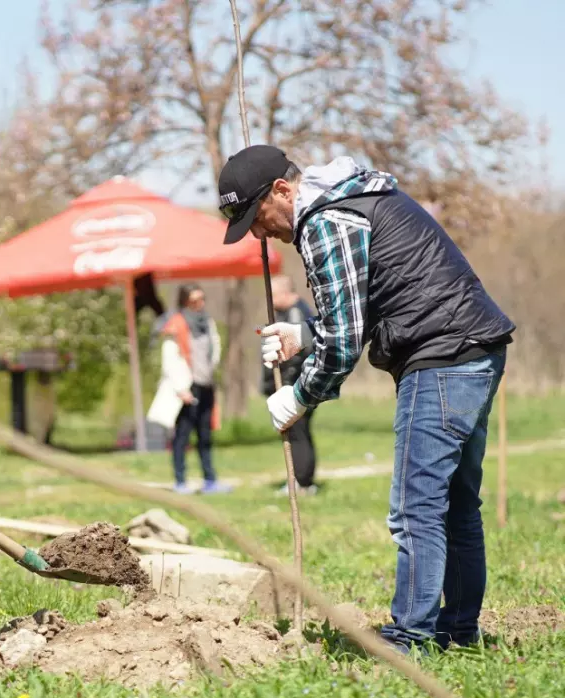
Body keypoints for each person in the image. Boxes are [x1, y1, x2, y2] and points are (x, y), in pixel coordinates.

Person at [218, 145, 514, 654]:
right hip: (473, 348)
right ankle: (458, 632)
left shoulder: (326, 221)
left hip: (440, 356)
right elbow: (372, 301)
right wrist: (300, 336)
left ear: (283, 190)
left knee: (416, 509)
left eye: (258, 218)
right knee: (456, 505)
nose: (261, 234)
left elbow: (344, 342)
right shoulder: (354, 201)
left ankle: (410, 640)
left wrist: (299, 397)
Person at [157, 284, 231, 494]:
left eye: (202, 299)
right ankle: (180, 481)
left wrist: (210, 369)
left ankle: (210, 479)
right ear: (185, 301)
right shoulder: (176, 324)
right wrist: (181, 388)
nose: (200, 304)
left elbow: (214, 346)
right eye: (195, 300)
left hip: (205, 384)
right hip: (186, 388)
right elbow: (169, 358)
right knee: (182, 436)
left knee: (205, 435)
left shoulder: (207, 322)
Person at [260, 274, 318, 495]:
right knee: (299, 432)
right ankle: (304, 480)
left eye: (273, 294)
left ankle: (301, 482)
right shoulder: (291, 312)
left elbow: (296, 355)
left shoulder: (295, 315)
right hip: (298, 384)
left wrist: (285, 385)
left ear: (286, 292)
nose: (271, 299)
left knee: (297, 432)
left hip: (296, 385)